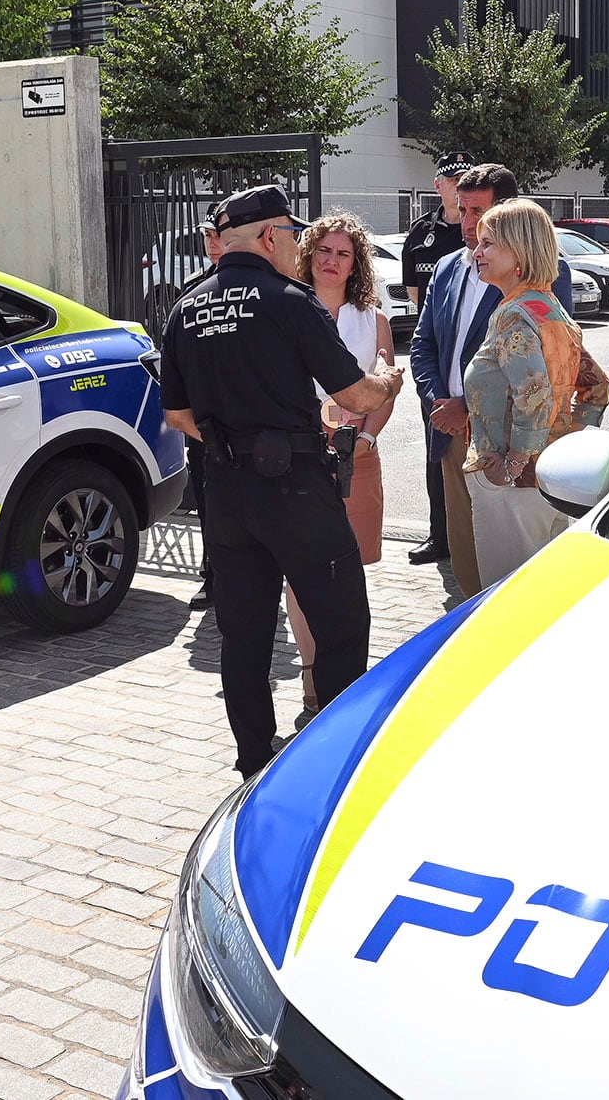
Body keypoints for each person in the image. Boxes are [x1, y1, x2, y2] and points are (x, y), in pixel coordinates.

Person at [159, 184, 403, 779]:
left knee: (243, 634)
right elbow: (352, 393)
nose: (298, 245)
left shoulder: (186, 307)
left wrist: (231, 435)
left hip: (225, 490)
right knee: (342, 623)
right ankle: (337, 760)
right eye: (292, 235)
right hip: (295, 488)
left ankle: (253, 760)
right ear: (270, 236)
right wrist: (387, 381)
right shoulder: (291, 301)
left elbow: (177, 415)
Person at [410, 162, 575, 598]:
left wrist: (520, 458)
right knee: (471, 561)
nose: (466, 225)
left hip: (504, 455)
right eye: (461, 211)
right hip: (454, 433)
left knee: (510, 586)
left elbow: (542, 385)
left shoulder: (533, 294)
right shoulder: (448, 268)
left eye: (477, 214)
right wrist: (438, 403)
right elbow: (423, 343)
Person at [283, 212, 396, 719]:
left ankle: (345, 675)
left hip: (357, 451)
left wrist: (368, 438)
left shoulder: (372, 319)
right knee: (300, 571)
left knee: (348, 569)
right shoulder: (286, 310)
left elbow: (388, 385)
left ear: (356, 264)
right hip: (297, 451)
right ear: (309, 255)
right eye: (323, 251)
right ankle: (312, 680)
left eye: (343, 253)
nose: (331, 261)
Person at [461, 199, 595, 585]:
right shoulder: (551, 308)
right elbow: (597, 388)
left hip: (512, 483)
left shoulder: (513, 313)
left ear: (518, 250)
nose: (477, 252)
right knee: (544, 595)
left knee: (507, 599)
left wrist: (515, 461)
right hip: (549, 480)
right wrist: (563, 439)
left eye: (488, 244)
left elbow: (534, 393)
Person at [401, 151, 474, 565]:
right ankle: (439, 534)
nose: (458, 184)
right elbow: (416, 294)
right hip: (438, 373)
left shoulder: (483, 242)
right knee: (438, 456)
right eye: (453, 179)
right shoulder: (422, 233)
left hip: (477, 387)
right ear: (439, 185)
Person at [176, 201, 227, 609]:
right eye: (207, 235)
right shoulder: (193, 286)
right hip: (203, 416)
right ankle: (212, 575)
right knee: (208, 501)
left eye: (218, 234)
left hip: (248, 413)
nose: (212, 243)